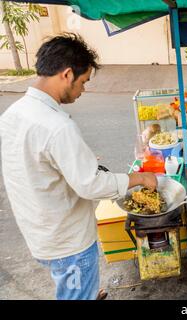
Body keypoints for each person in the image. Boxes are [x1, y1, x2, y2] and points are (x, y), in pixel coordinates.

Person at [0, 33, 158, 300]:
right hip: (68, 244)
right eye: (83, 82)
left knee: (74, 290)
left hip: (40, 235)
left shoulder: (13, 114)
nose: (82, 90)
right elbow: (91, 185)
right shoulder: (57, 126)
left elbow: (36, 166)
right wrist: (140, 179)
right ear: (67, 74)